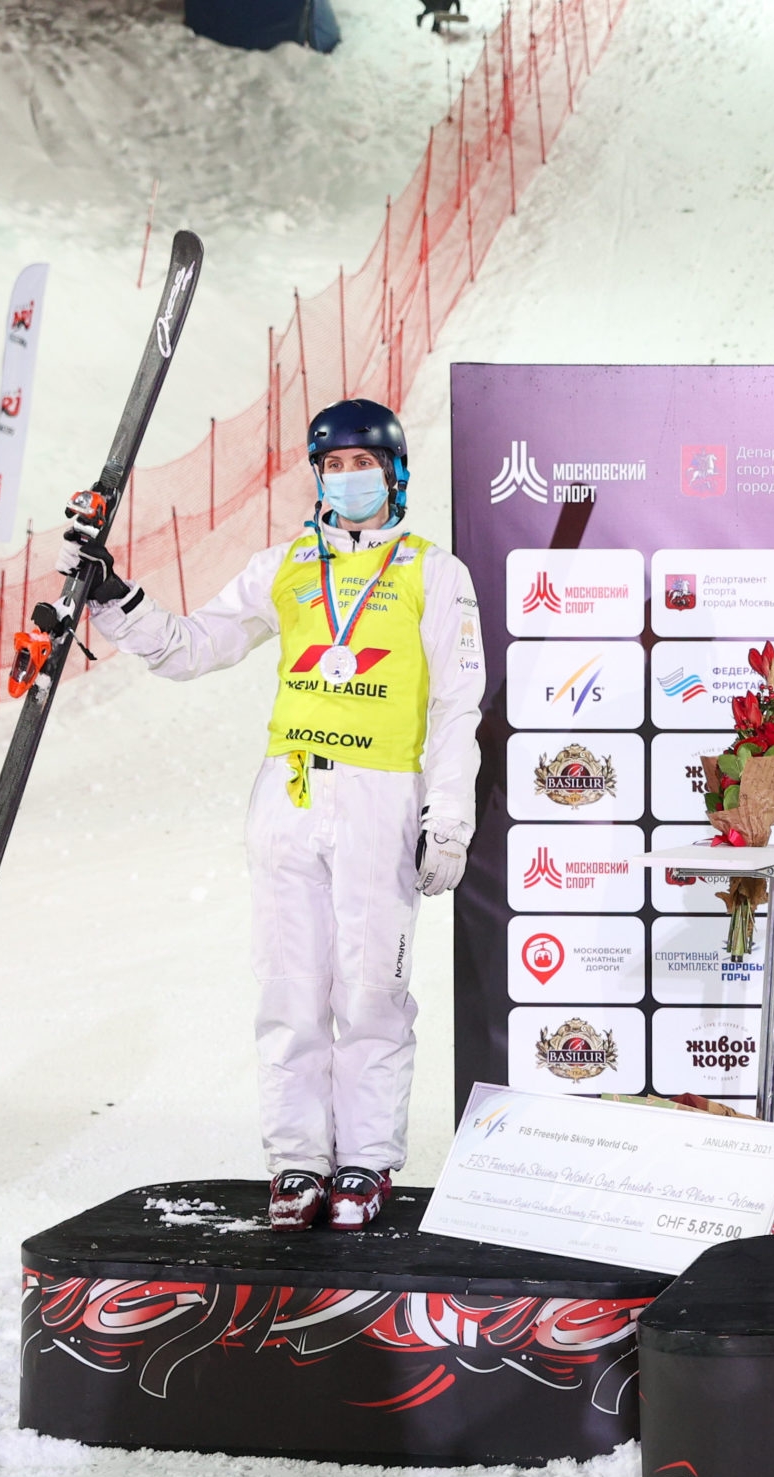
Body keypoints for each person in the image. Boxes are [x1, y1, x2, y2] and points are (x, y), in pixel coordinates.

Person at [78, 399, 484, 1232]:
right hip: (289, 793)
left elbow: (456, 705)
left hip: (380, 795)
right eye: (333, 466)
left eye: (363, 464)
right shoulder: (286, 565)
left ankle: (366, 1161)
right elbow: (195, 644)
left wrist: (448, 818)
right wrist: (118, 600)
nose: (349, 478)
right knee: (290, 990)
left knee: (371, 991)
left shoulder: (432, 572)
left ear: (395, 474)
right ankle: (298, 1161)